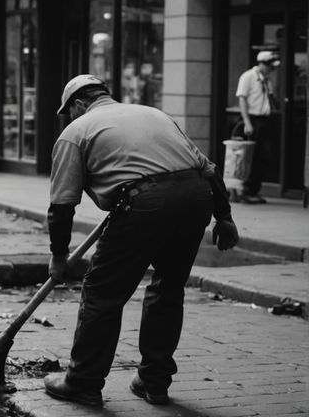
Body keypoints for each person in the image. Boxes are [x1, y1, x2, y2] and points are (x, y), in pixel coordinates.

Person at [42, 74, 239, 408]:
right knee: (168, 288)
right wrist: (225, 216)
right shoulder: (154, 114)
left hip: (144, 203)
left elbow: (61, 205)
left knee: (102, 292)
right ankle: (154, 381)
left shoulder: (75, 132)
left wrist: (59, 257)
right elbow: (207, 169)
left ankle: (83, 382)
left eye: (69, 111)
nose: (69, 118)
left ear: (78, 104)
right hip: (195, 197)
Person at [234, 50, 281, 204]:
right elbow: (242, 99)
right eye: (270, 67)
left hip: (265, 120)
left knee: (264, 156)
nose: (271, 70)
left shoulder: (265, 79)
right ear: (262, 63)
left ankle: (254, 190)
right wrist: (247, 122)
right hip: (253, 119)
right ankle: (246, 190)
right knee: (251, 157)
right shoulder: (248, 77)